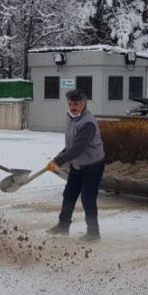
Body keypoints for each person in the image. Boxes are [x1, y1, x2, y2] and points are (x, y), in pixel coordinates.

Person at [45, 89, 105, 242]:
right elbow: (72, 144)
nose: (72, 107)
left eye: (76, 104)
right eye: (70, 103)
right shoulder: (71, 118)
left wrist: (59, 161)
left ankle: (93, 233)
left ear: (84, 104)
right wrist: (61, 156)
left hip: (92, 165)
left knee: (87, 199)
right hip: (77, 164)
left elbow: (79, 147)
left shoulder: (88, 123)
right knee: (69, 195)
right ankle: (63, 226)